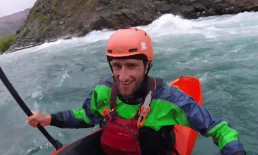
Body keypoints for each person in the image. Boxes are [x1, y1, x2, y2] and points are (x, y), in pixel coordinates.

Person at [26, 27, 246, 155]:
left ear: (147, 65)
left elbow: (219, 129)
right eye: (117, 67)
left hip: (153, 150)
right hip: (115, 149)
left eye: (132, 66)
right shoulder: (104, 91)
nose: (123, 76)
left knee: (150, 135)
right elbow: (86, 116)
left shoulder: (169, 99)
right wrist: (49, 118)